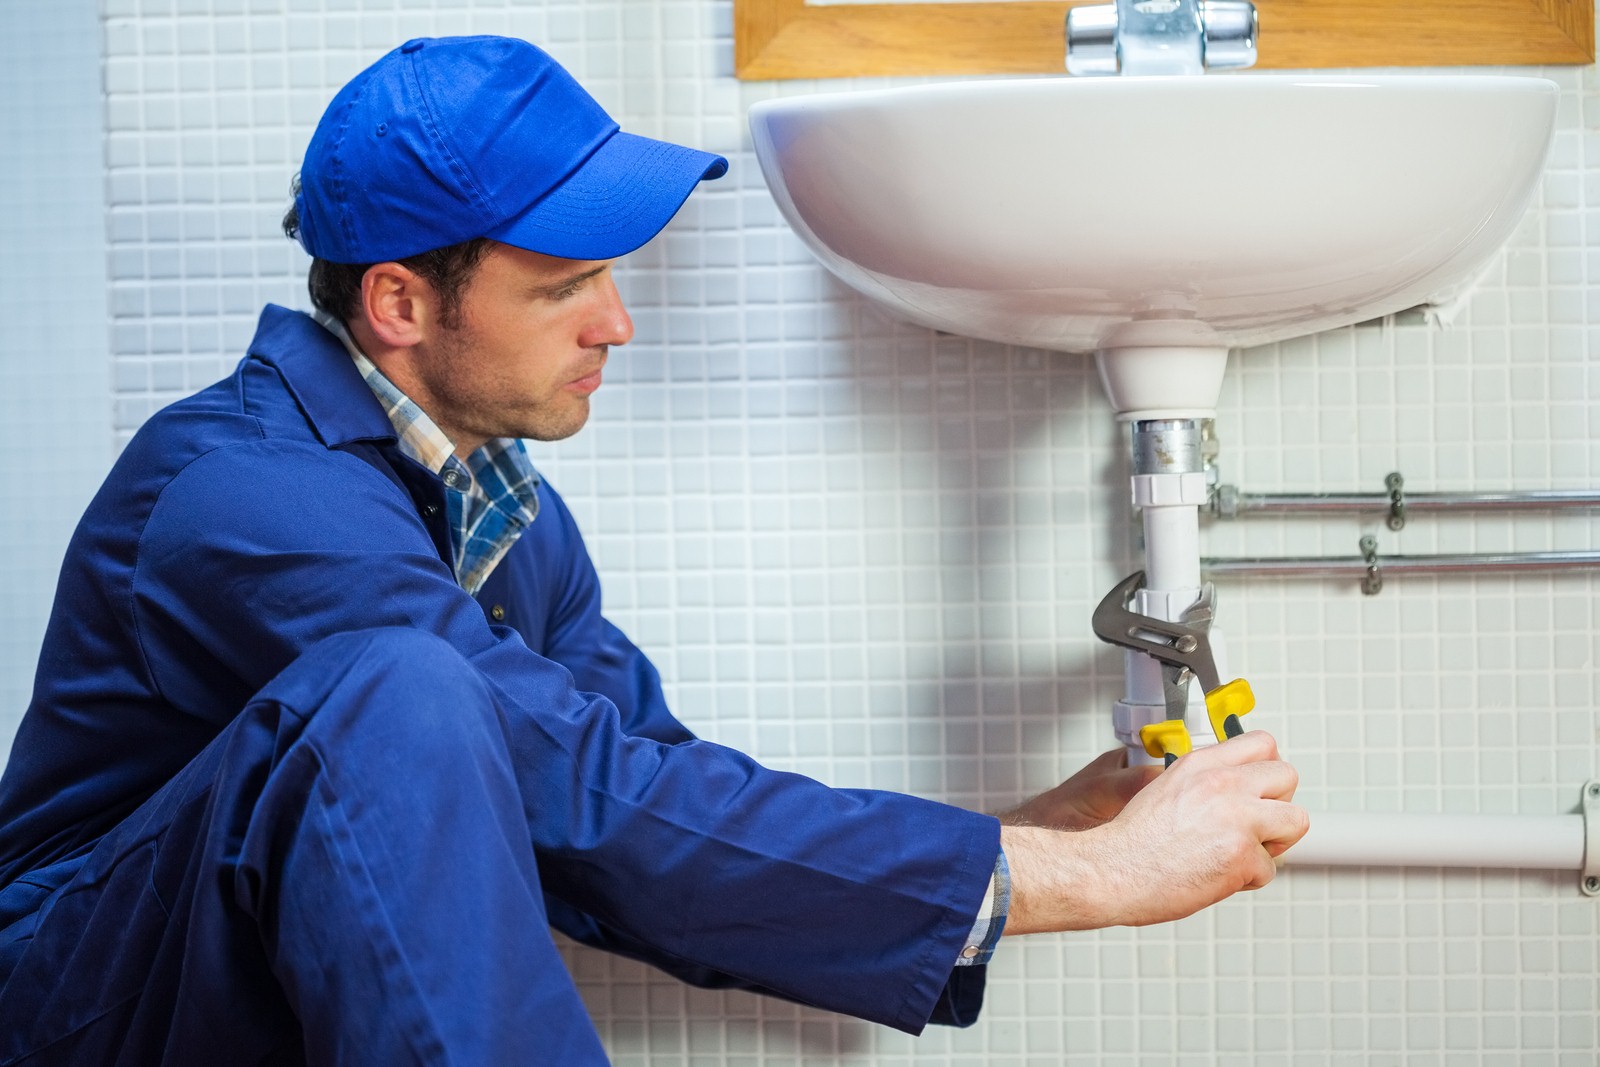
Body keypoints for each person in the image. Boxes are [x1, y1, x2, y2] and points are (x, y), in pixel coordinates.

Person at [0, 34, 1307, 1066]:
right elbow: (577, 788)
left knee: (438, 700)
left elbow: (638, 803)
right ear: (400, 302)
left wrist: (1001, 837)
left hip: (252, 988)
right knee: (400, 690)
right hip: (86, 1010)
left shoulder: (498, 506)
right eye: (566, 284)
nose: (616, 322)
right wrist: (1080, 878)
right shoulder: (246, 494)